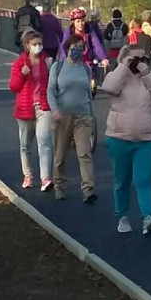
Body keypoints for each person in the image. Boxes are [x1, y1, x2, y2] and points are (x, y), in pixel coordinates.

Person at [102, 45, 151, 234]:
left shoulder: (148, 80)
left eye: (142, 59)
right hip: (119, 137)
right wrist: (124, 66)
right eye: (134, 59)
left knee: (143, 179)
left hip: (146, 140)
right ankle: (122, 216)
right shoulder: (116, 77)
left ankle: (148, 217)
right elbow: (109, 87)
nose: (137, 63)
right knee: (122, 180)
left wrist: (146, 72)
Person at [48, 34, 97, 203]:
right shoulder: (58, 67)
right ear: (67, 48)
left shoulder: (85, 69)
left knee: (85, 154)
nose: (77, 50)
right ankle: (59, 186)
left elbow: (88, 93)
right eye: (74, 46)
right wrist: (54, 110)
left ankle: (88, 190)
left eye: (81, 47)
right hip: (63, 116)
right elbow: (50, 90)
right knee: (60, 154)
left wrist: (91, 116)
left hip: (83, 116)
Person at [9, 30, 53, 191]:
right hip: (25, 107)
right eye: (35, 44)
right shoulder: (20, 63)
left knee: (45, 142)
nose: (38, 47)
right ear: (27, 46)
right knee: (25, 145)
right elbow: (14, 86)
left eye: (40, 44)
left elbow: (52, 83)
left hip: (43, 106)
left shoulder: (47, 61)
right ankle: (28, 175)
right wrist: (22, 74)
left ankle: (45, 178)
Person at [60, 8, 109, 90]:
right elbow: (64, 48)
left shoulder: (89, 30)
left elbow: (96, 45)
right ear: (73, 22)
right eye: (78, 21)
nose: (81, 24)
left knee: (92, 87)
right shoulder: (68, 32)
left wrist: (103, 58)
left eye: (82, 21)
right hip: (73, 64)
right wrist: (62, 63)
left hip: (87, 63)